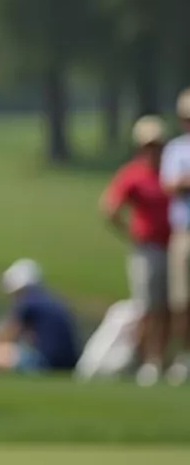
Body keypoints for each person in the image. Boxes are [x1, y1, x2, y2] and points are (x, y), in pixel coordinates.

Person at [101, 116, 176, 386]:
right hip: (147, 249)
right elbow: (109, 209)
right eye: (149, 145)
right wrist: (132, 233)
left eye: (157, 145)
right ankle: (147, 361)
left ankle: (163, 360)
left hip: (174, 247)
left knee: (172, 309)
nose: (153, 150)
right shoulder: (133, 173)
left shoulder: (172, 170)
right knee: (148, 308)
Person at [0, 259, 79, 375]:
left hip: (47, 362)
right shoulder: (51, 299)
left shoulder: (29, 302)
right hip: (69, 363)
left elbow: (6, 333)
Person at [160, 88, 190, 381]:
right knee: (181, 301)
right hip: (184, 233)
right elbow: (171, 185)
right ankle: (184, 356)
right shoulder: (176, 149)